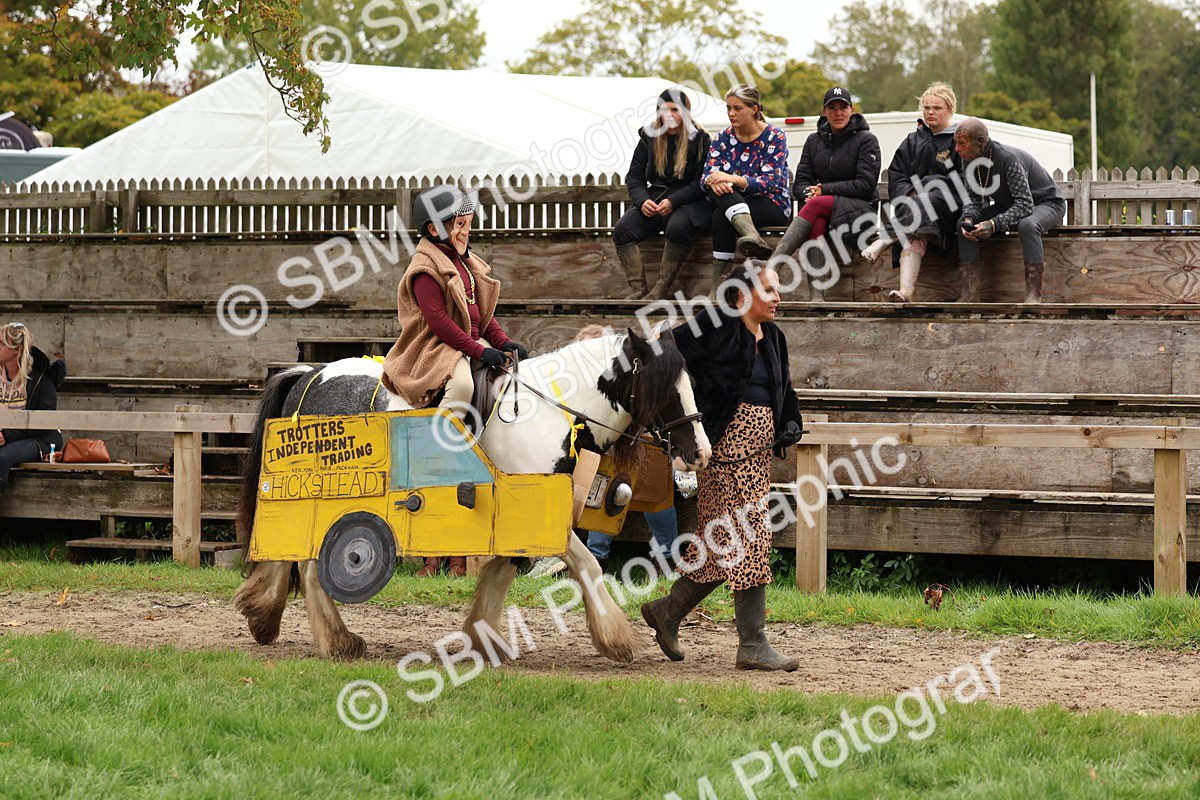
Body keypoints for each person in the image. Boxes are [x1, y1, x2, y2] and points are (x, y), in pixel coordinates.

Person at [640, 262, 805, 672]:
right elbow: (664, 349)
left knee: (718, 543)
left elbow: (784, 387)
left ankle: (667, 612)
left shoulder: (774, 337)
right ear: (742, 296)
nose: (778, 297)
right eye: (769, 290)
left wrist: (790, 419)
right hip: (723, 449)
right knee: (751, 536)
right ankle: (753, 644)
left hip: (758, 454)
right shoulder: (715, 324)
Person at [381, 186, 529, 577]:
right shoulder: (424, 269)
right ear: (434, 229)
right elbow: (440, 324)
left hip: (469, 344)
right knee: (463, 387)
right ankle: (440, 443)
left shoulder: (466, 263)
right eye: (460, 224)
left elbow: (482, 316)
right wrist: (480, 352)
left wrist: (503, 342)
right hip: (435, 347)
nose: (466, 230)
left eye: (468, 223)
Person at [860, 82, 962, 302]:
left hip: (948, 210)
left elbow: (962, 180)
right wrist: (909, 195)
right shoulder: (912, 140)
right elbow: (897, 175)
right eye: (927, 107)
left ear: (950, 110)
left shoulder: (959, 140)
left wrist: (926, 187)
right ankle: (905, 293)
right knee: (915, 236)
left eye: (937, 108)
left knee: (925, 201)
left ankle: (884, 239)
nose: (930, 112)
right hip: (915, 211)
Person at [772, 87, 881, 281]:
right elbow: (800, 183)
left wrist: (824, 190)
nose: (838, 113)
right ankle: (816, 294)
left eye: (843, 107)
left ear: (852, 109)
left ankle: (772, 267)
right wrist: (810, 193)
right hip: (825, 213)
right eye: (832, 108)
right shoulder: (813, 141)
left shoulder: (867, 140)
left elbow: (865, 185)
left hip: (860, 214)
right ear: (824, 111)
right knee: (816, 222)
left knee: (815, 205)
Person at [953, 118, 1067, 303]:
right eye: (956, 143)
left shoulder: (1008, 159)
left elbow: (1025, 204)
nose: (957, 149)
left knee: (1027, 225)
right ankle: (970, 294)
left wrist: (994, 224)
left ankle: (1033, 295)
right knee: (962, 224)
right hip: (1010, 205)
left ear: (980, 142)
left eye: (962, 143)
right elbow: (973, 200)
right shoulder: (969, 159)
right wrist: (969, 218)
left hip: (1046, 204)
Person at [614, 87, 713, 299]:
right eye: (663, 110)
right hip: (656, 199)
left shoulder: (701, 139)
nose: (668, 115)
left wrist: (674, 201)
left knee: (677, 227)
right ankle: (638, 290)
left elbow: (701, 182)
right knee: (623, 229)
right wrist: (643, 201)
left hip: (690, 202)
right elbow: (634, 177)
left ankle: (660, 288)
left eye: (674, 110)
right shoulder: (649, 136)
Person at [701, 84, 791, 293]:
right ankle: (751, 237)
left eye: (737, 108)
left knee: (722, 211)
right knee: (720, 209)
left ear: (754, 109)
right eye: (728, 108)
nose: (731, 113)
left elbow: (769, 183)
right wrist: (716, 181)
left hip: (771, 203)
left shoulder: (775, 136)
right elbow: (705, 177)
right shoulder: (721, 138)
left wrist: (731, 179)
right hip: (733, 203)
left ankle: (717, 290)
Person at [0, 323, 65, 494]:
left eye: (2, 343)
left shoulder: (40, 377)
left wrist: (7, 434)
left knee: (2, 457)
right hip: (4, 435)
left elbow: (44, 420)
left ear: (16, 349)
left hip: (39, 437)